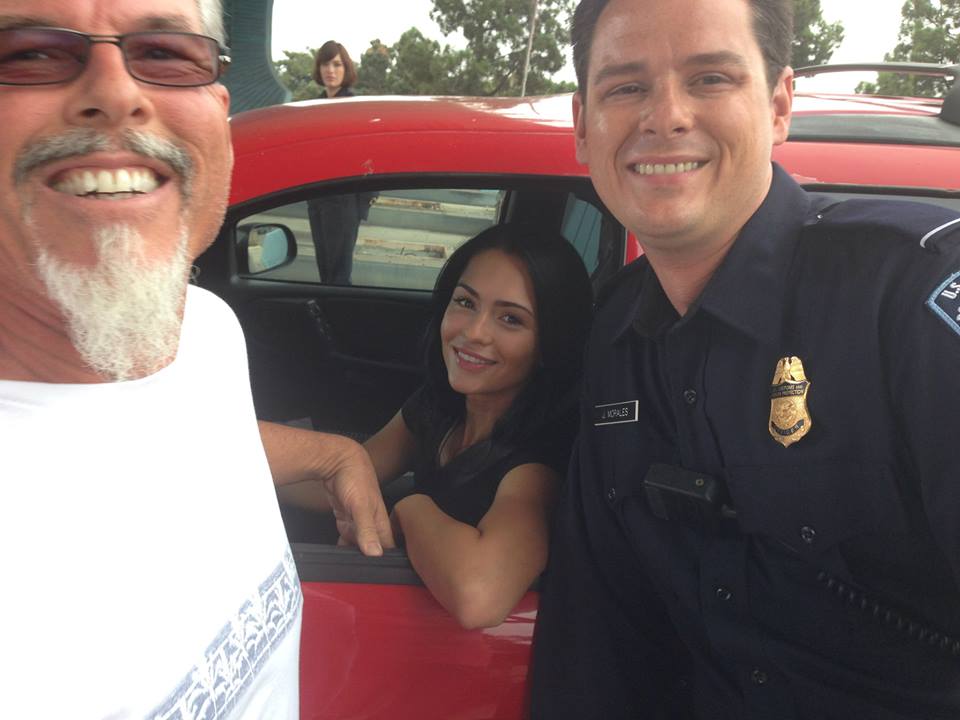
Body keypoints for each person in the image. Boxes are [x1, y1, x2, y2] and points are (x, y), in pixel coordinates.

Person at [530, 1, 960, 719]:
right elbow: (598, 638)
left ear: (779, 105)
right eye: (626, 87)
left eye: (710, 78)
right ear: (582, 124)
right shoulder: (614, 341)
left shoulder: (909, 299)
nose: (664, 116)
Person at [0, 1, 389, 717]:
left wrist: (336, 455)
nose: (117, 92)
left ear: (220, 104)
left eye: (167, 53)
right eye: (29, 53)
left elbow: (160, 442)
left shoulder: (205, 330)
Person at [364, 224, 593, 628]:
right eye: (465, 303)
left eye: (510, 319)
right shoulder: (441, 406)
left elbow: (479, 597)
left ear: (549, 344)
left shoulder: (536, 468)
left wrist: (408, 509)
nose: (473, 332)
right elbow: (355, 473)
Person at [307, 41, 373, 285]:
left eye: (337, 64)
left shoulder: (354, 108)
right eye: (325, 64)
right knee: (324, 271)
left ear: (346, 69)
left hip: (344, 202)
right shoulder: (313, 106)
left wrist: (361, 207)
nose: (330, 70)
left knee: (338, 276)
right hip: (316, 199)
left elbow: (370, 155)